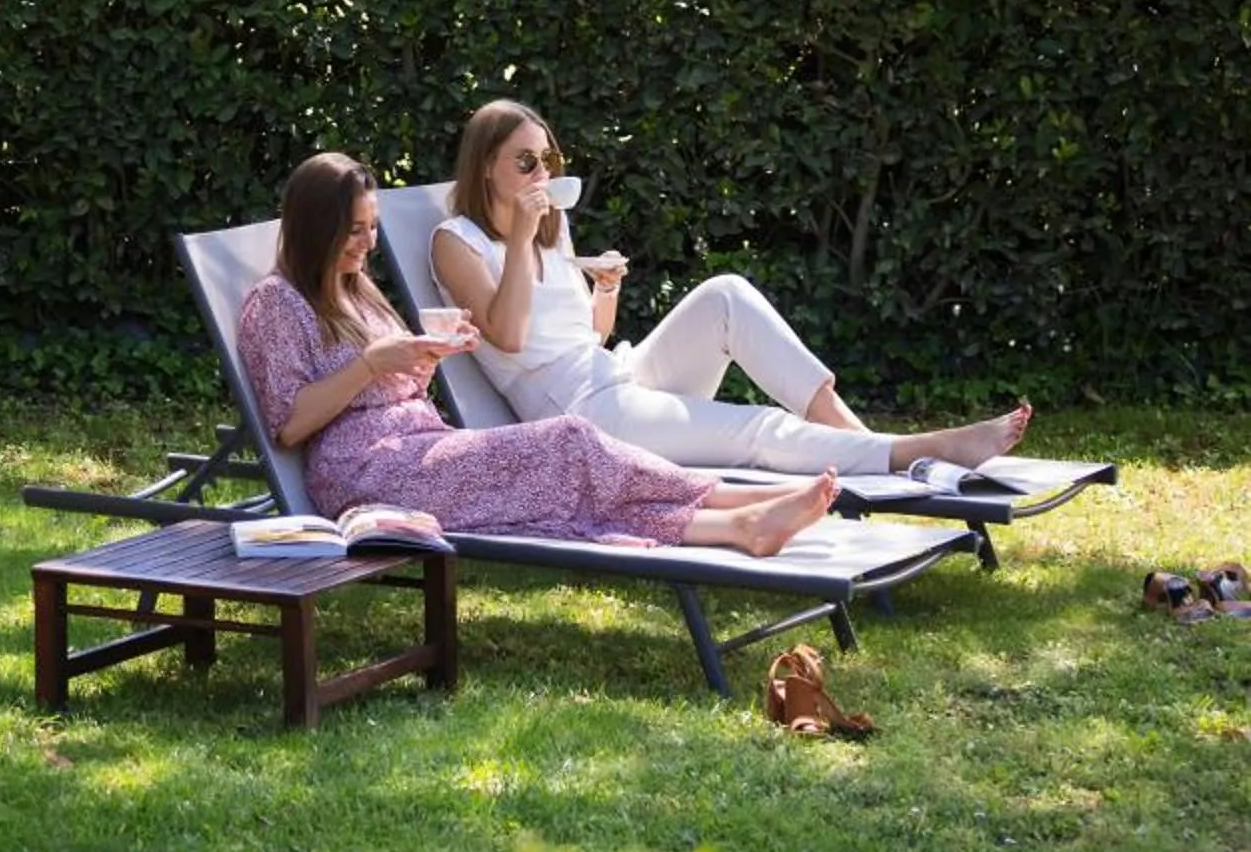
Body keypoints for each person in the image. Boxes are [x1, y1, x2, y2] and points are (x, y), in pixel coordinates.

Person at [238, 151, 837, 554]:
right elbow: (289, 424)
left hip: (417, 450)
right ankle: (740, 502)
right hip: (364, 476)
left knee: (565, 479)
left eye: (372, 227)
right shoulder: (277, 304)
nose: (367, 243)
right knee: (566, 444)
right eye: (354, 231)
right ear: (315, 227)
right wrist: (374, 363)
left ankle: (742, 520)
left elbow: (389, 379)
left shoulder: (354, 290)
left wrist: (425, 357)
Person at [428, 99, 1030, 476]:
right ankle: (910, 453)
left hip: (613, 376)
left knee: (726, 294)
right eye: (525, 162)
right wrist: (522, 236)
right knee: (752, 429)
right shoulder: (456, 243)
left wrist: (603, 289)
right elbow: (506, 338)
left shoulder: (547, 228)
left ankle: (857, 438)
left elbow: (587, 335)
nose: (543, 173)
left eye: (548, 160)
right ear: (486, 166)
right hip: (577, 415)